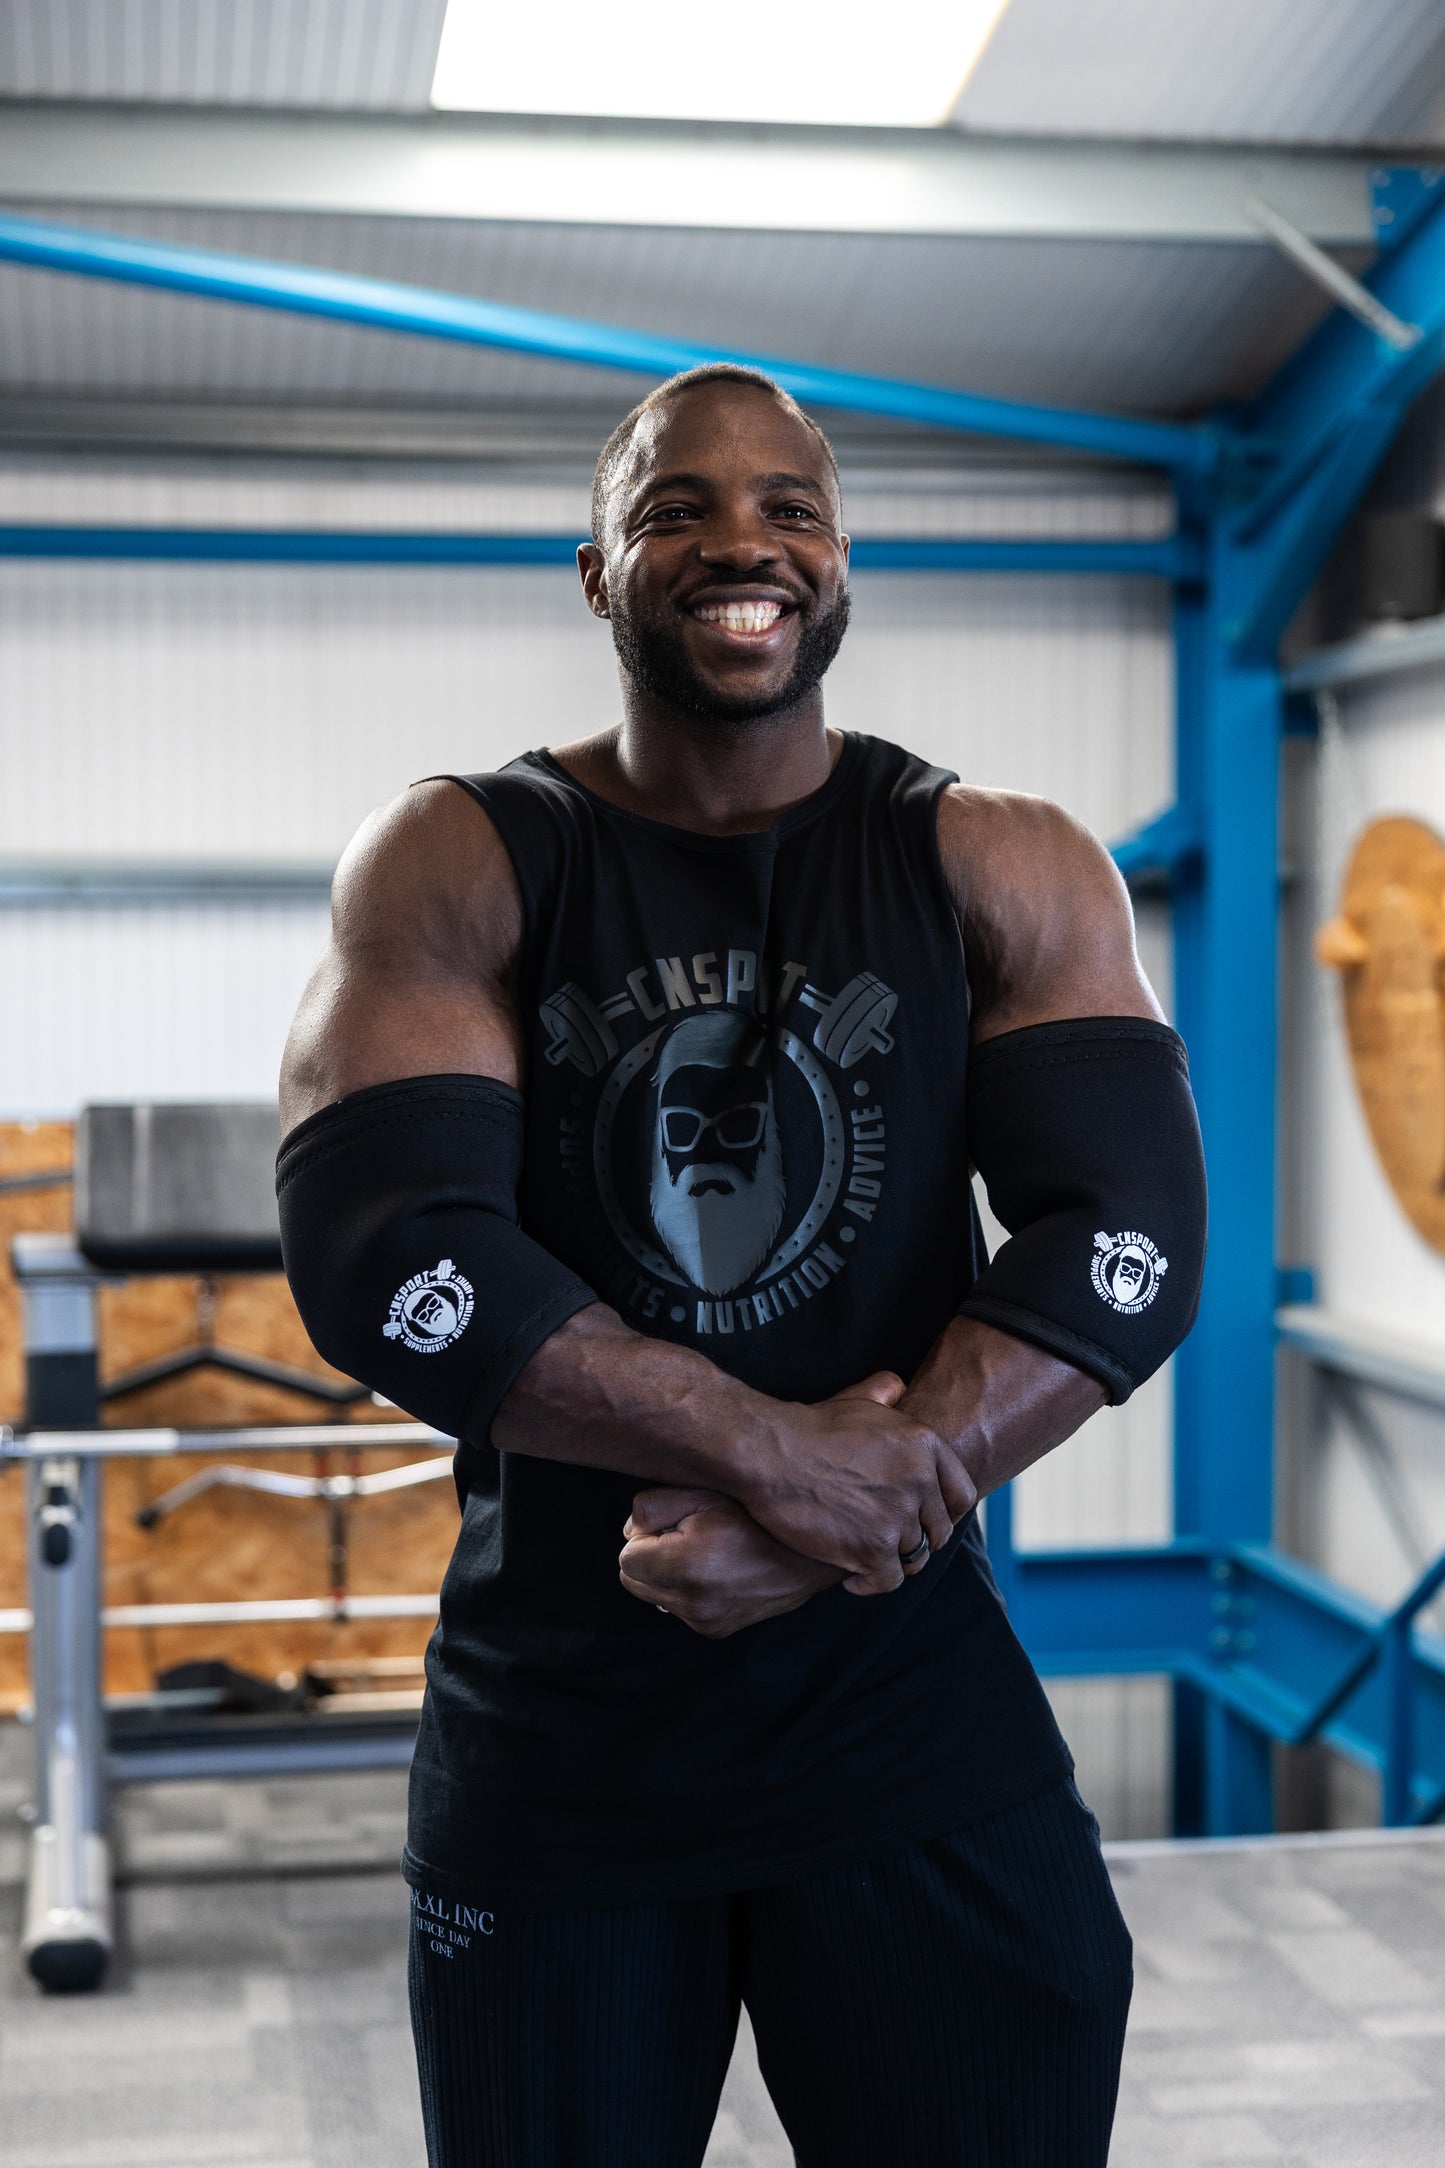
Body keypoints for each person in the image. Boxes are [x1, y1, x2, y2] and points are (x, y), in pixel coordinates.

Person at [276, 363, 1207, 2168]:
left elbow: (1124, 1236)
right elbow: (390, 1252)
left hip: (904, 1710)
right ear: (596, 572)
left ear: (839, 560)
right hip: (563, 1735)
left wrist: (848, 1510)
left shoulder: (993, 859)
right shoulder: (465, 855)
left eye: (789, 507)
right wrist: (781, 1460)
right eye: (675, 509)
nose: (740, 543)